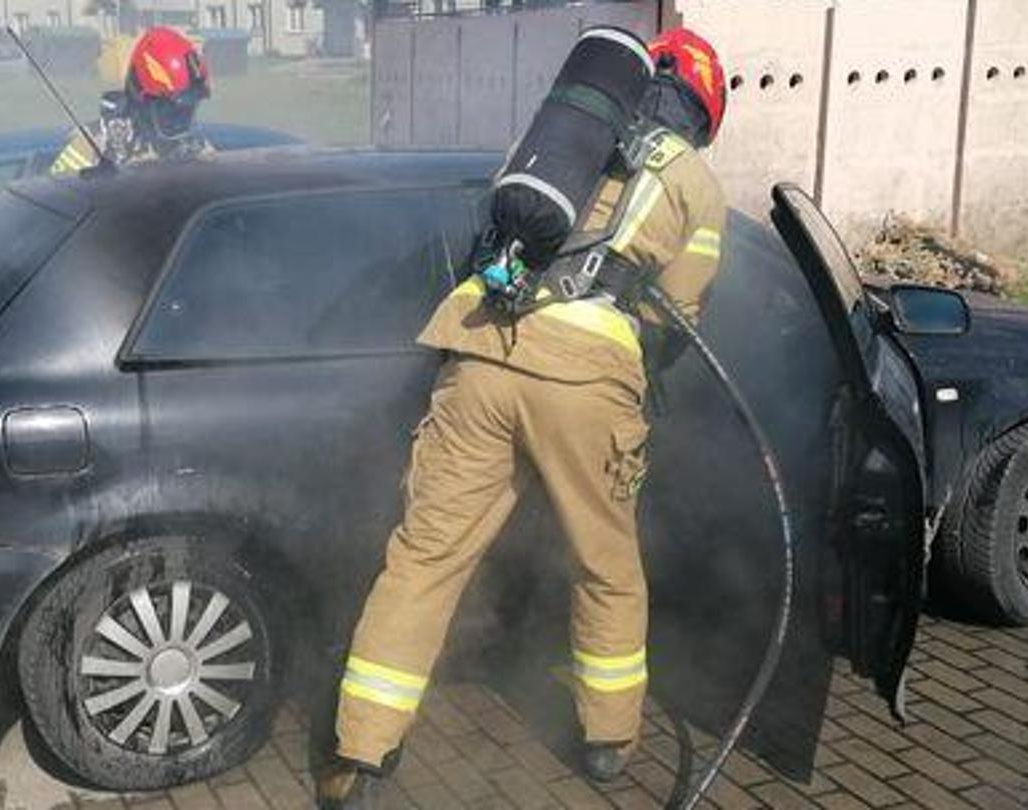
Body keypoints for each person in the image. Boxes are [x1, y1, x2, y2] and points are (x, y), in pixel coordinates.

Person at [316, 27, 730, 809]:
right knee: (605, 566)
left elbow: (491, 233)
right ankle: (608, 742)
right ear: (703, 111)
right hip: (584, 376)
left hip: (477, 349)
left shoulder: (559, 141)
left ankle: (357, 756)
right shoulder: (697, 186)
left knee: (424, 560)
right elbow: (679, 315)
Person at [48, 27, 214, 175]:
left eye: (190, 108)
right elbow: (53, 194)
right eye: (171, 110)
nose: (181, 121)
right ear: (142, 101)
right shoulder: (94, 143)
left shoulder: (195, 147)